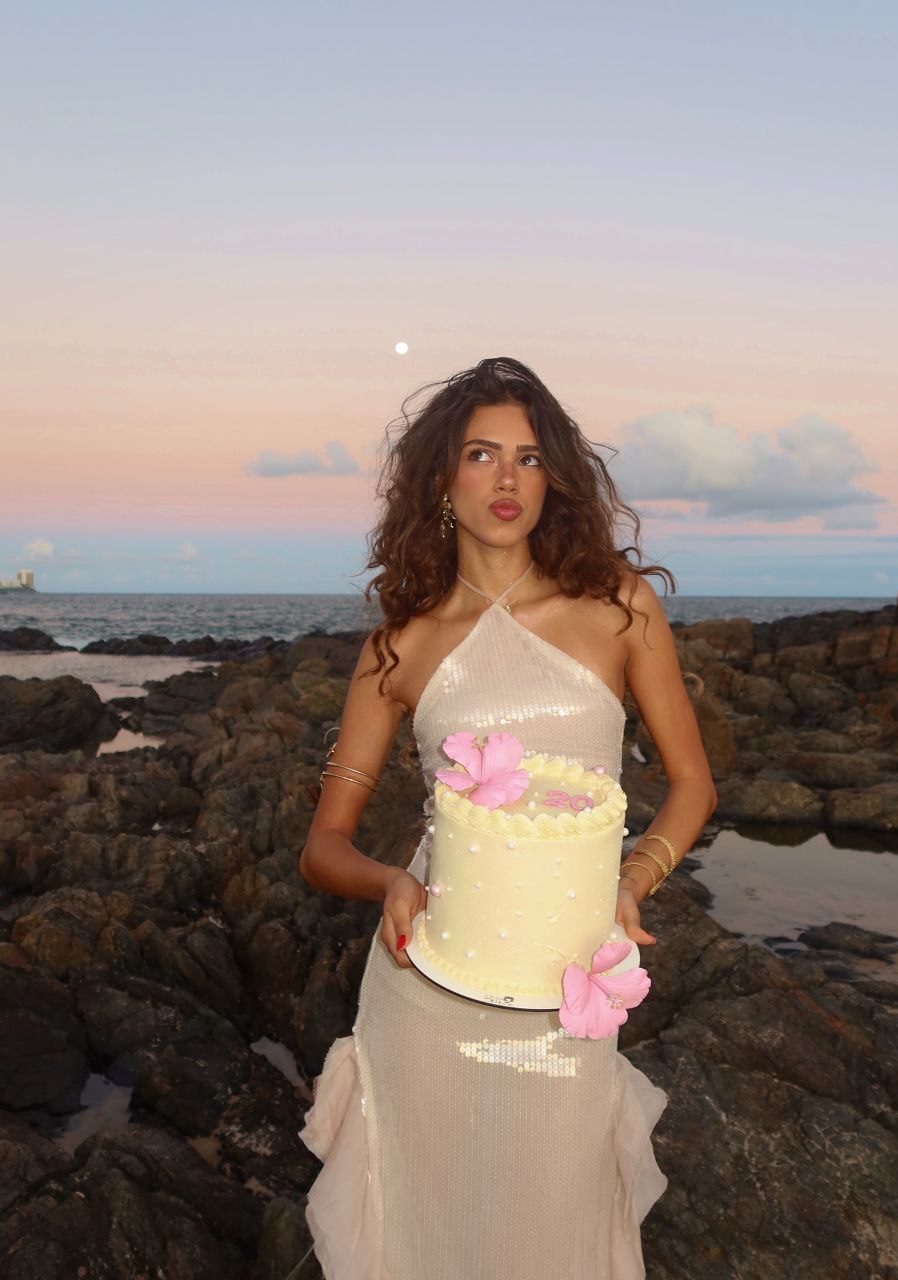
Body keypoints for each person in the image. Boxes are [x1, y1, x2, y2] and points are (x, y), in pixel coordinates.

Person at [297, 356, 717, 1280]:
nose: (507, 479)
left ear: (553, 476)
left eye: (528, 458)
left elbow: (693, 784)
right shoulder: (401, 645)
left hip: (567, 987)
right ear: (440, 479)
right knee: (429, 1231)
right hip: (428, 987)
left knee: (552, 1227)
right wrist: (390, 882)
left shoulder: (618, 608)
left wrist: (632, 880)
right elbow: (324, 845)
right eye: (481, 454)